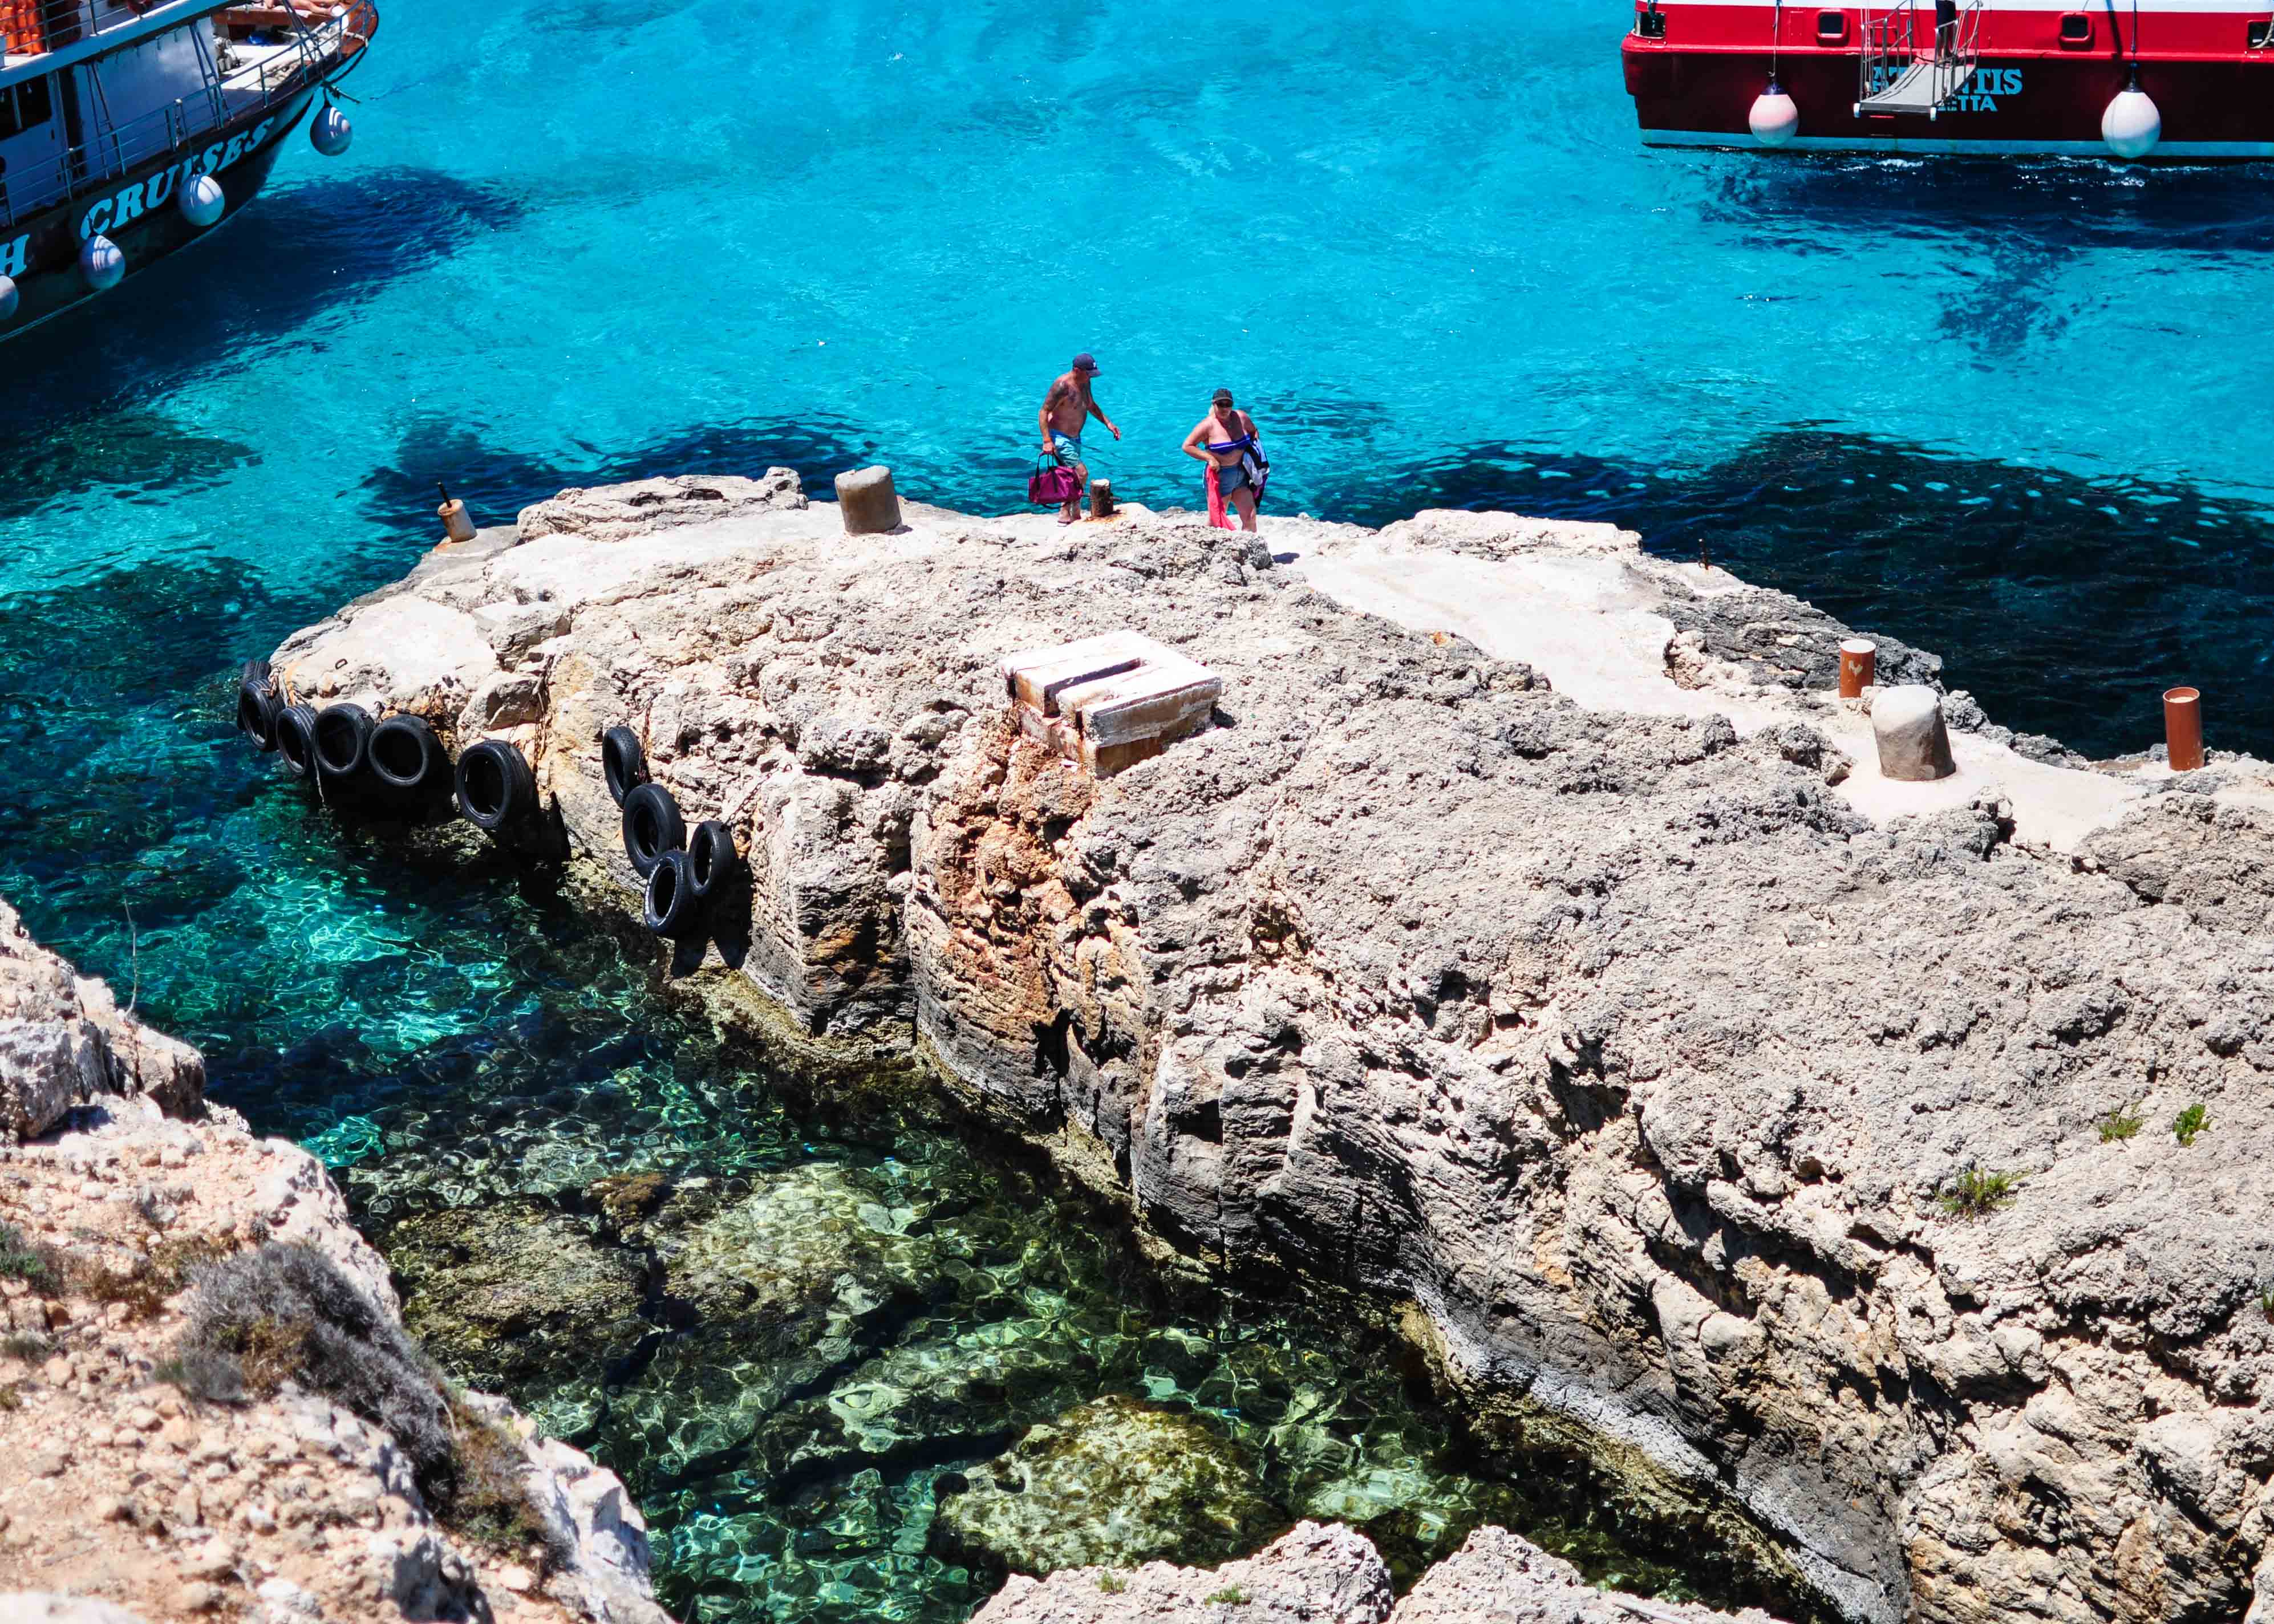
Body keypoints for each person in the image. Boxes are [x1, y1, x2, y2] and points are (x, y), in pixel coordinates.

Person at [1039, 354, 1121, 525]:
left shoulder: (1085, 383)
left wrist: (1108, 423)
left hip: (1075, 438)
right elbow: (1044, 411)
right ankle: (1064, 512)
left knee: (1072, 476)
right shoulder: (1062, 386)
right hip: (1059, 437)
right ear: (1077, 370)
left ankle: (1074, 512)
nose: (1091, 376)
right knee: (1081, 472)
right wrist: (1047, 441)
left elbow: (1090, 405)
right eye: (1088, 373)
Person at [1181, 388, 1266, 533]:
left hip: (1242, 474)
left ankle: (1246, 552)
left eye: (1228, 404)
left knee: (1250, 517)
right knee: (1217, 523)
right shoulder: (1207, 425)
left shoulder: (1241, 417)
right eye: (1221, 404)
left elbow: (1253, 431)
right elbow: (1187, 446)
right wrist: (1210, 458)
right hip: (1221, 477)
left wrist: (1255, 452)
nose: (1225, 408)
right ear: (1214, 404)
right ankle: (1201, 543)